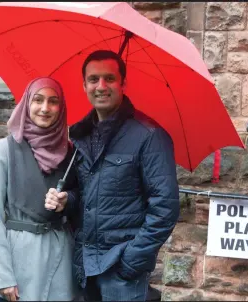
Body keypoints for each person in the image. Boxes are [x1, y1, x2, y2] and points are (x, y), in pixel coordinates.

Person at [45, 50, 180, 301]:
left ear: (123, 84)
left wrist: (132, 261)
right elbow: (82, 193)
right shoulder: (79, 135)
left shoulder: (149, 136)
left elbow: (165, 207)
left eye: (110, 78)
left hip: (121, 272)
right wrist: (67, 201)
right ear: (84, 85)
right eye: (94, 79)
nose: (101, 86)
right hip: (84, 267)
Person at [0, 77, 78, 301]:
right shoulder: (4, 150)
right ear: (27, 103)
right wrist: (3, 275)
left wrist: (67, 200)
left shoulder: (70, 153)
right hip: (17, 263)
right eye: (38, 100)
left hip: (59, 261)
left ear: (61, 108)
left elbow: (80, 200)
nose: (45, 108)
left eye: (53, 101)